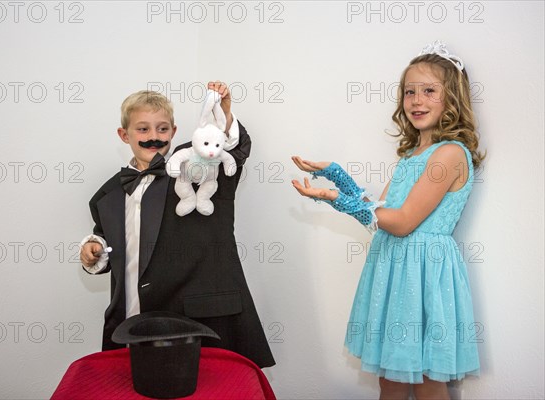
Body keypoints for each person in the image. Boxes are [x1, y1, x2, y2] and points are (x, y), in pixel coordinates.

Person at [291, 41, 484, 398]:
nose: (416, 100)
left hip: (423, 273)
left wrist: (338, 201)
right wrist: (337, 177)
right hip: (396, 268)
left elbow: (404, 221)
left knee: (428, 381)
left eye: (429, 91)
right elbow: (385, 208)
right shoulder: (414, 153)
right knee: (391, 378)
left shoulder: (449, 154)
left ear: (452, 98)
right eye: (409, 92)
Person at [79, 81, 275, 369]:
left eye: (162, 128)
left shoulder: (196, 167)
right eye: (142, 129)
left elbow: (234, 149)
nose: (153, 136)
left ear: (174, 132)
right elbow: (110, 245)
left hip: (197, 324)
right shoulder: (105, 196)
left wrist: (223, 116)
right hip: (129, 324)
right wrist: (94, 250)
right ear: (124, 135)